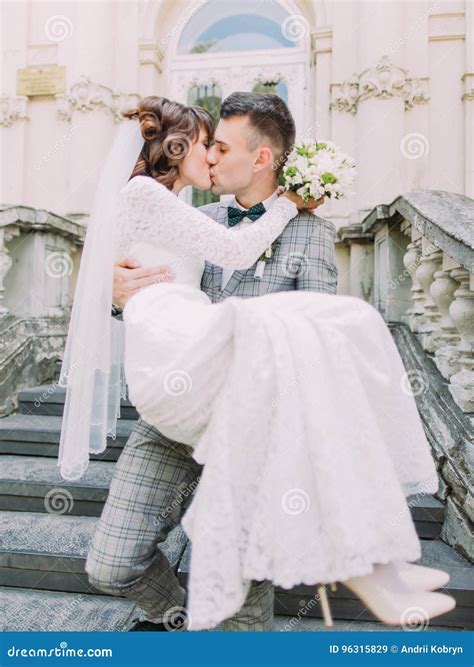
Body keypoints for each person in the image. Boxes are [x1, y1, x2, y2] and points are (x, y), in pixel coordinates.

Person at [60, 94, 454, 632]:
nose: (214, 158)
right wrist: (114, 290)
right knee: (111, 564)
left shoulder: (312, 233)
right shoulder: (193, 214)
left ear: (262, 159)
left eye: (221, 146)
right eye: (209, 145)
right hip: (177, 413)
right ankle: (180, 623)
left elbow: (316, 344)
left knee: (240, 606)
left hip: (256, 430)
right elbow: (157, 286)